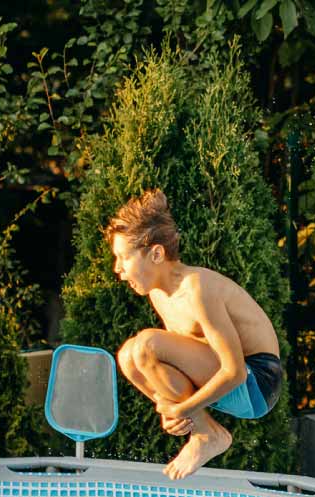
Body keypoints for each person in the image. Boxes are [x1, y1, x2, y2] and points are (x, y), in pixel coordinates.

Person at [108, 189, 282, 480]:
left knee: (145, 346)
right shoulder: (159, 294)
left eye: (123, 258)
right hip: (224, 380)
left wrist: (184, 409)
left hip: (257, 381)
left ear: (156, 253)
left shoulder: (197, 289)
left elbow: (235, 372)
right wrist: (173, 406)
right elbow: (175, 363)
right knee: (128, 356)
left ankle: (205, 435)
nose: (118, 270)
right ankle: (205, 430)